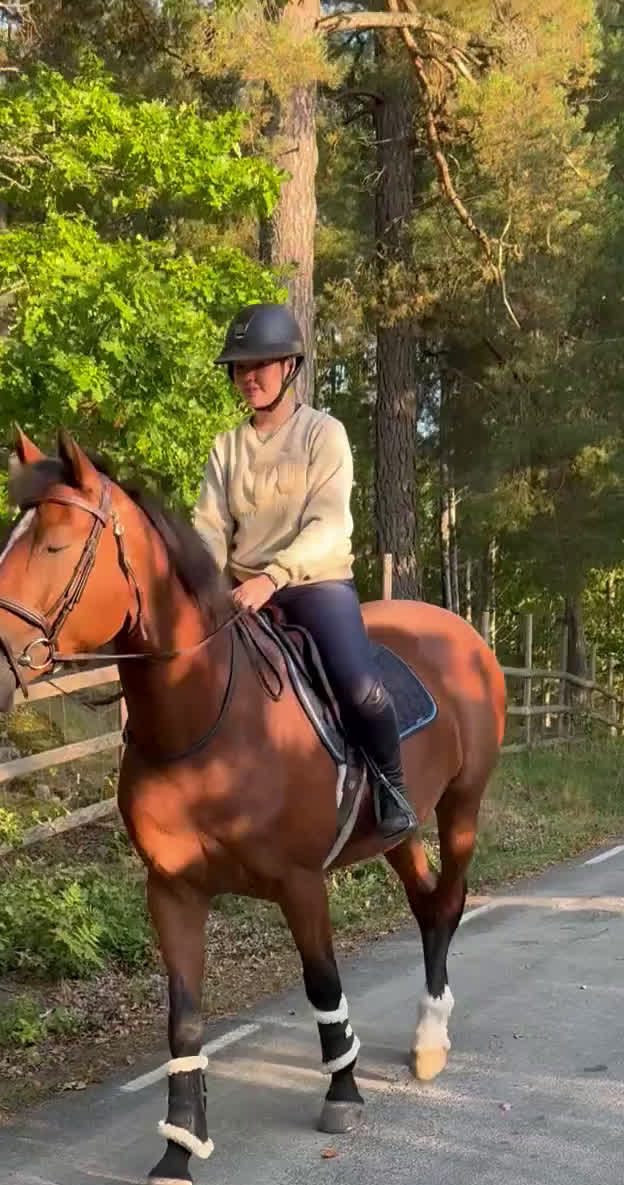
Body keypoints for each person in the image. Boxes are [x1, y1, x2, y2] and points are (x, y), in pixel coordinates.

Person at [192, 302, 418, 840]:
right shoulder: (226, 448)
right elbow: (208, 527)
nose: (248, 376)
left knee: (361, 688)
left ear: (290, 367)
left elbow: (329, 523)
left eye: (261, 364)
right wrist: (202, 584)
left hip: (314, 582)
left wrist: (273, 576)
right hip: (242, 591)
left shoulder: (324, 434)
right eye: (240, 367)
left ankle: (391, 787)